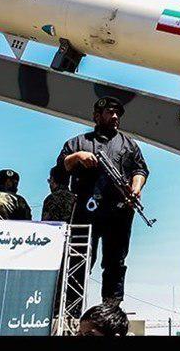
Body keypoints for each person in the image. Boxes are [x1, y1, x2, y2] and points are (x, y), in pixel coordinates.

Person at [57, 96, 149, 305]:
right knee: (79, 259)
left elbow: (140, 169)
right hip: (85, 210)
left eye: (118, 113)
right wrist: (78, 156)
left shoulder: (129, 144)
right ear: (96, 116)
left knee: (115, 262)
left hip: (119, 211)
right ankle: (71, 308)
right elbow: (60, 171)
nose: (115, 116)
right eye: (110, 112)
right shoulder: (77, 143)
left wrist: (136, 187)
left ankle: (111, 309)